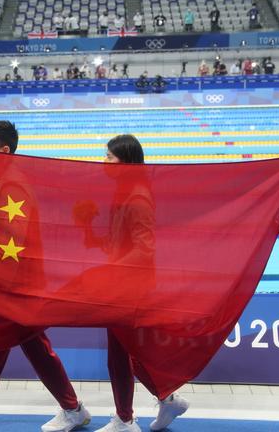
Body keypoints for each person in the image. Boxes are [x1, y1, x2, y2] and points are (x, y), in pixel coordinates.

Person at [0, 122, 91, 432]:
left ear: (3, 150)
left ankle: (69, 408)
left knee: (20, 344)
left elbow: (15, 239)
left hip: (14, 284)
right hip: (13, 282)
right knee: (11, 344)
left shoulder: (11, 184)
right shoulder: (4, 181)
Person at [76, 135, 190, 432]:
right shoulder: (123, 193)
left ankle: (126, 419)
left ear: (125, 161)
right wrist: (88, 226)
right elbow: (112, 245)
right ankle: (166, 399)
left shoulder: (137, 197)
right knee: (129, 353)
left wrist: (114, 269)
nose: (104, 162)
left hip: (131, 289)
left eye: (109, 158)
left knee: (120, 354)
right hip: (120, 285)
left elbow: (144, 249)